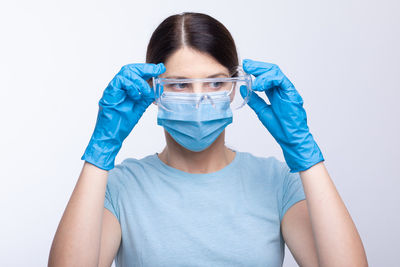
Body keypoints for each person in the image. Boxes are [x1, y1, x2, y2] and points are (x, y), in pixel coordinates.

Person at [48, 12, 368, 267]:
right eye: (180, 85)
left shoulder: (278, 183)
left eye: (215, 83)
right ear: (153, 90)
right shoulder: (118, 187)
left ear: (233, 88)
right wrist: (101, 151)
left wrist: (305, 154)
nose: (199, 99)